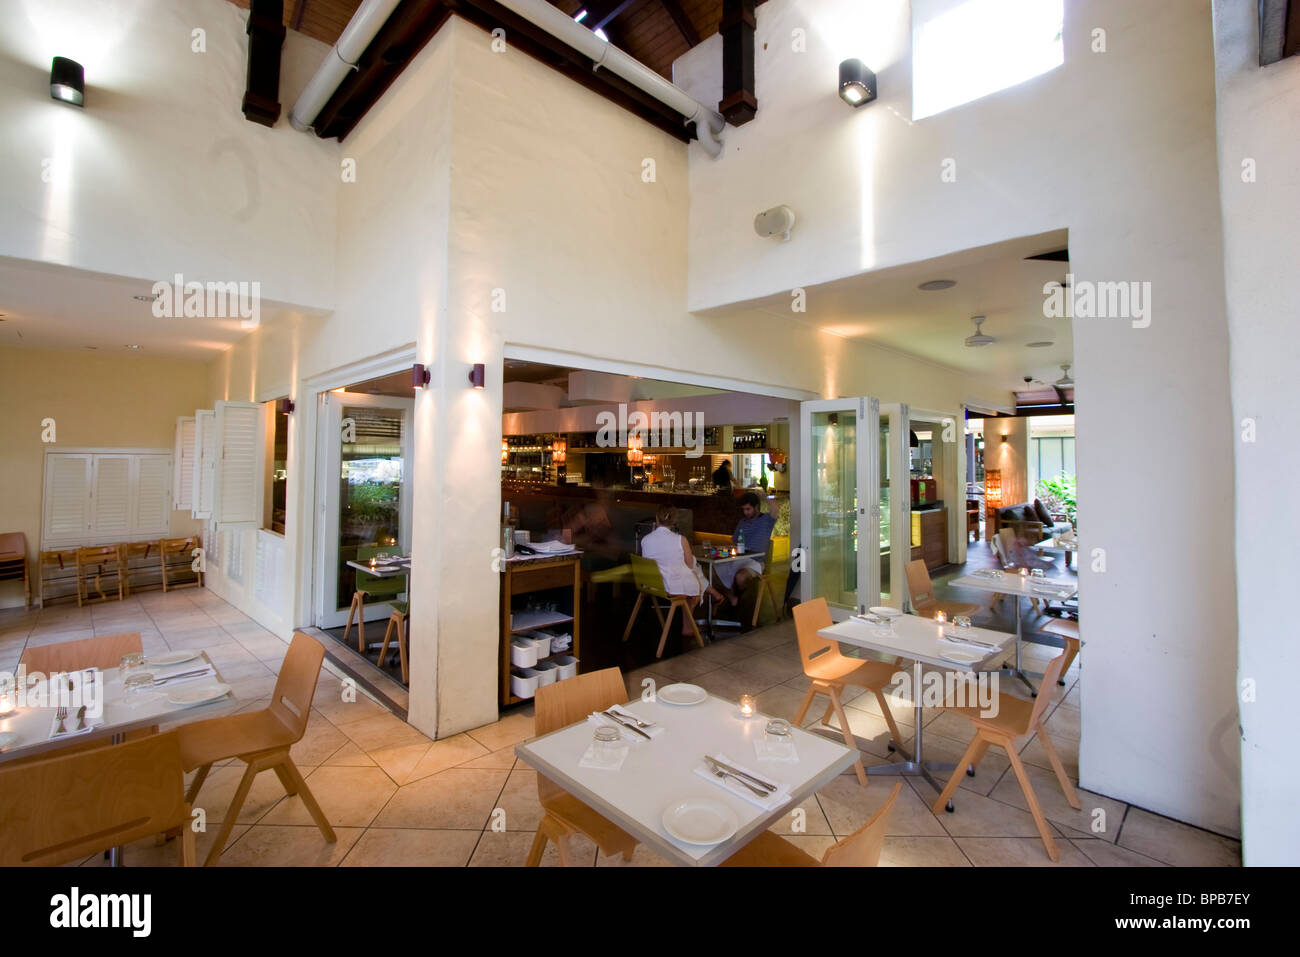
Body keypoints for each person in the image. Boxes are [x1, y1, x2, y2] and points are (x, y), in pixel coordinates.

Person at [639, 506, 722, 633]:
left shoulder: (645, 539)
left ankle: (689, 625)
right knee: (695, 582)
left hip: (651, 585)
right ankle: (688, 627)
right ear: (674, 521)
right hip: (669, 587)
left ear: (657, 519)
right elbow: (689, 565)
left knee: (692, 578)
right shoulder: (680, 540)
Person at [715, 491, 776, 606]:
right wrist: (729, 550)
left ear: (756, 507)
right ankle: (732, 597)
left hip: (756, 561)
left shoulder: (766, 520)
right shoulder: (742, 522)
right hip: (739, 558)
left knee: (740, 577)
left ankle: (737, 598)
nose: (745, 512)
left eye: (748, 509)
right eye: (743, 509)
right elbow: (734, 541)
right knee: (713, 572)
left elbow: (775, 509)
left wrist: (765, 495)